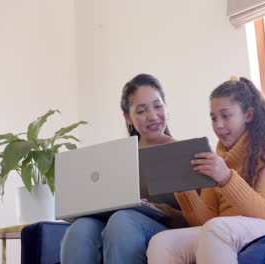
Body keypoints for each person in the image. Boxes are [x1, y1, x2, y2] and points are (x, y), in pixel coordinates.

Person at [146, 76, 265, 264]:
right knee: (162, 242)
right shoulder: (217, 157)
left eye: (226, 116)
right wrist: (184, 191)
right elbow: (205, 222)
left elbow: (263, 212)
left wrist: (225, 178)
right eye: (213, 118)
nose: (218, 125)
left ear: (248, 115)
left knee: (217, 229)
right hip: (226, 230)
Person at [60, 73, 186, 264]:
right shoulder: (116, 157)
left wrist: (157, 209)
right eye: (141, 110)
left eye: (158, 106)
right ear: (128, 117)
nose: (152, 116)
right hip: (118, 223)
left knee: (123, 220)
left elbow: (198, 216)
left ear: (166, 108)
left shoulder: (185, 152)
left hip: (161, 228)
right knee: (81, 229)